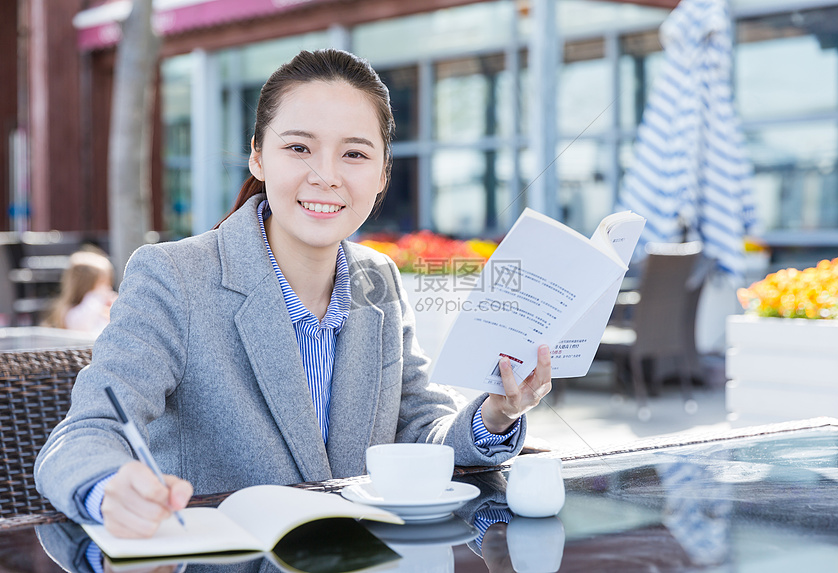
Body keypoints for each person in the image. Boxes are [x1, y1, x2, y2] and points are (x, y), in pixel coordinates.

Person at [34, 48, 552, 540]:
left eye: (354, 153)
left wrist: (497, 414)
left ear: (382, 175)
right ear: (258, 157)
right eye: (298, 148)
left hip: (359, 558)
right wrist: (108, 488)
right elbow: (85, 433)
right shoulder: (174, 276)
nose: (325, 176)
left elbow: (423, 431)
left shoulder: (378, 280)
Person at [42, 249, 117, 335]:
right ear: (86, 285)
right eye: (103, 283)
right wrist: (95, 297)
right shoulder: (71, 311)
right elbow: (83, 326)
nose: (108, 288)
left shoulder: (100, 308)